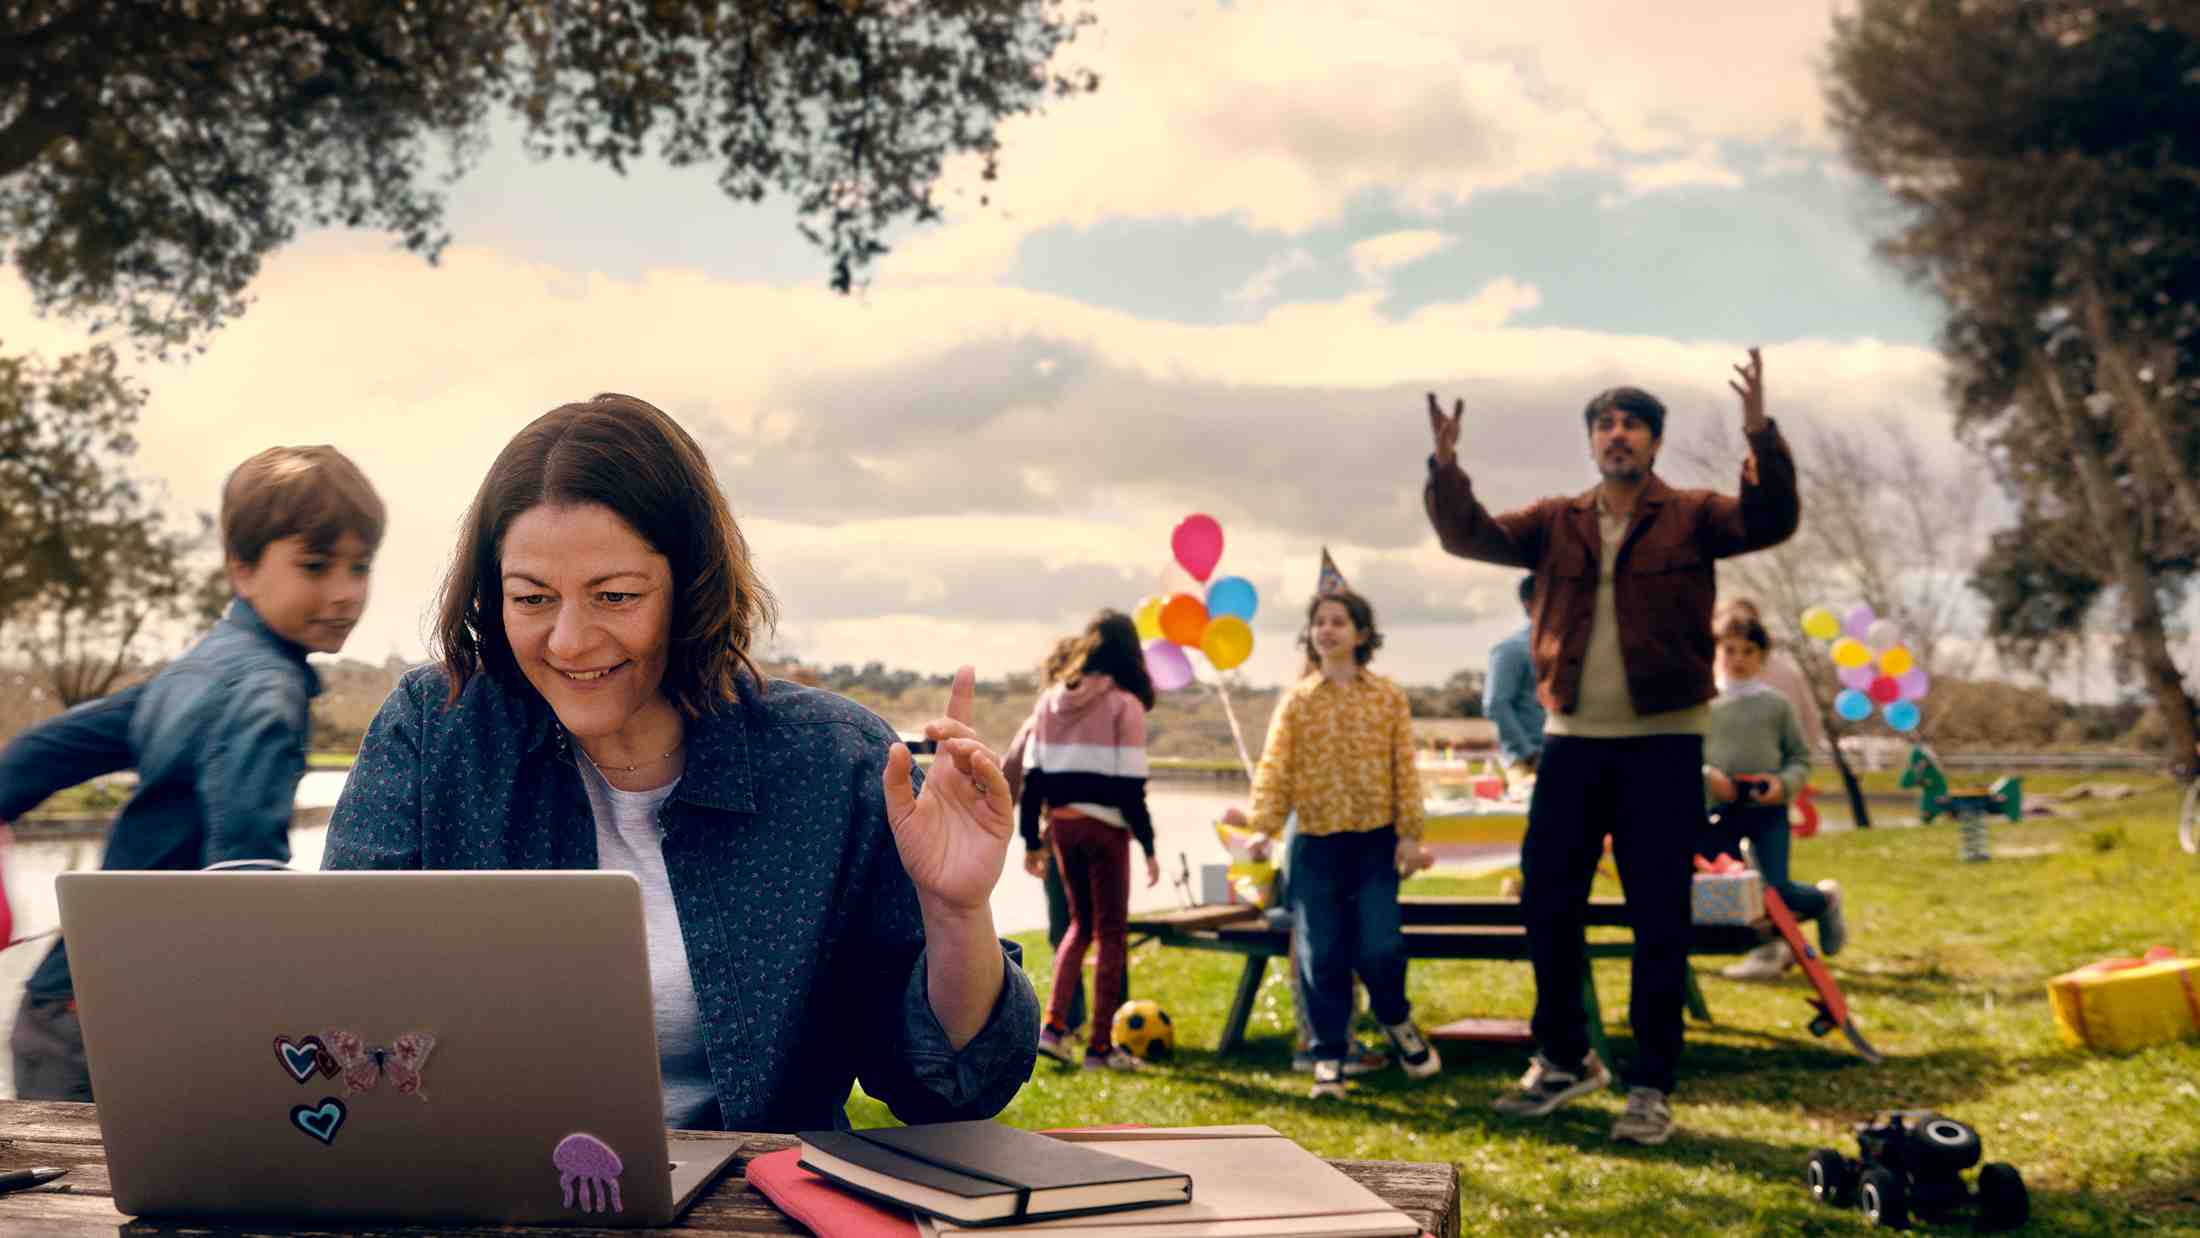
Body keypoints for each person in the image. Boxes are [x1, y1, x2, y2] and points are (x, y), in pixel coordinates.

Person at [322, 394, 1036, 1133]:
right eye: (532, 598)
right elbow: (336, 1004)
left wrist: (959, 914)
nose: (568, 640)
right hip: (486, 1202)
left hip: (751, 1212)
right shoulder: (436, 733)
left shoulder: (836, 764)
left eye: (616, 595)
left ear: (692, 589)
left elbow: (945, 1091)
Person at [1422, 348, 1800, 1145]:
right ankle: (1564, 1058)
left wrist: (1761, 434)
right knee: (1545, 902)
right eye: (1604, 424)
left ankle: (1650, 1083)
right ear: (1592, 442)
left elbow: (1770, 519)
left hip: (1663, 746)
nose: (1617, 435)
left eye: (1631, 424)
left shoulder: (1693, 515)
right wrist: (1447, 470)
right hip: (1570, 745)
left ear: (1654, 442)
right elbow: (1469, 538)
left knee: (1658, 916)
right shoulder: (1555, 522)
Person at [0, 445, 385, 1100]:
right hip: (120, 1025)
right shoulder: (267, 691)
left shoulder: (191, 672)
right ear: (242, 569)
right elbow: (243, 880)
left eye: (360, 566)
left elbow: (30, 759)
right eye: (316, 566)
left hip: (60, 1005)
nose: (345, 592)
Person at [1239, 586, 1440, 1100]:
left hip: (1374, 843)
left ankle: (1395, 1018)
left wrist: (1410, 834)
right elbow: (1275, 766)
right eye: (1320, 622)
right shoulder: (1298, 700)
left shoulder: (1388, 696)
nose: (1326, 629)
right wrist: (1263, 824)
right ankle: (1329, 1054)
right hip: (1315, 844)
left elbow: (1405, 769)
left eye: (1338, 621)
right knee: (1320, 951)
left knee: (1380, 944)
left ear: (1361, 634)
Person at [1018, 612, 1160, 1072]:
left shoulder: (1050, 700)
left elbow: (1033, 778)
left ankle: (1056, 1029)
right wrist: (1150, 845)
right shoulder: (1124, 705)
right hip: (1104, 828)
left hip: (1062, 826)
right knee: (1112, 932)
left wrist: (1029, 840)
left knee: (1079, 926)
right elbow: (1130, 787)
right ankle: (1101, 1047)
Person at [1699, 613, 1846, 980]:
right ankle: (1766, 955)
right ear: (1716, 652)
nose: (1738, 659)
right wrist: (1709, 779)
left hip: (1768, 811)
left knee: (1774, 891)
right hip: (1719, 812)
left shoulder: (1775, 705)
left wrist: (1782, 785)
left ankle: (1824, 900)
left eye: (1748, 651)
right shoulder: (1703, 705)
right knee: (1732, 893)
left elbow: (1799, 758)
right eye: (1729, 650)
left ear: (1762, 657)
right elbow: (1687, 757)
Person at [1003, 634, 1090, 1040]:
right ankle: (1113, 1018)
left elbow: (1012, 776)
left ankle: (1070, 1021)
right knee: (1105, 930)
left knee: (1064, 929)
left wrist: (1032, 842)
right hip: (1103, 839)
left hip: (1063, 839)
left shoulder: (1046, 716)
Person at [1714, 596, 1824, 754]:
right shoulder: (1714, 678)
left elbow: (1809, 727)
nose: (1738, 658)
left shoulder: (1786, 677)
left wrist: (1790, 773)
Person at [1484, 575, 1546, 792]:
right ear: (1529, 604)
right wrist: (1530, 753)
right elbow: (1496, 705)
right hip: (1526, 763)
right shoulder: (1511, 650)